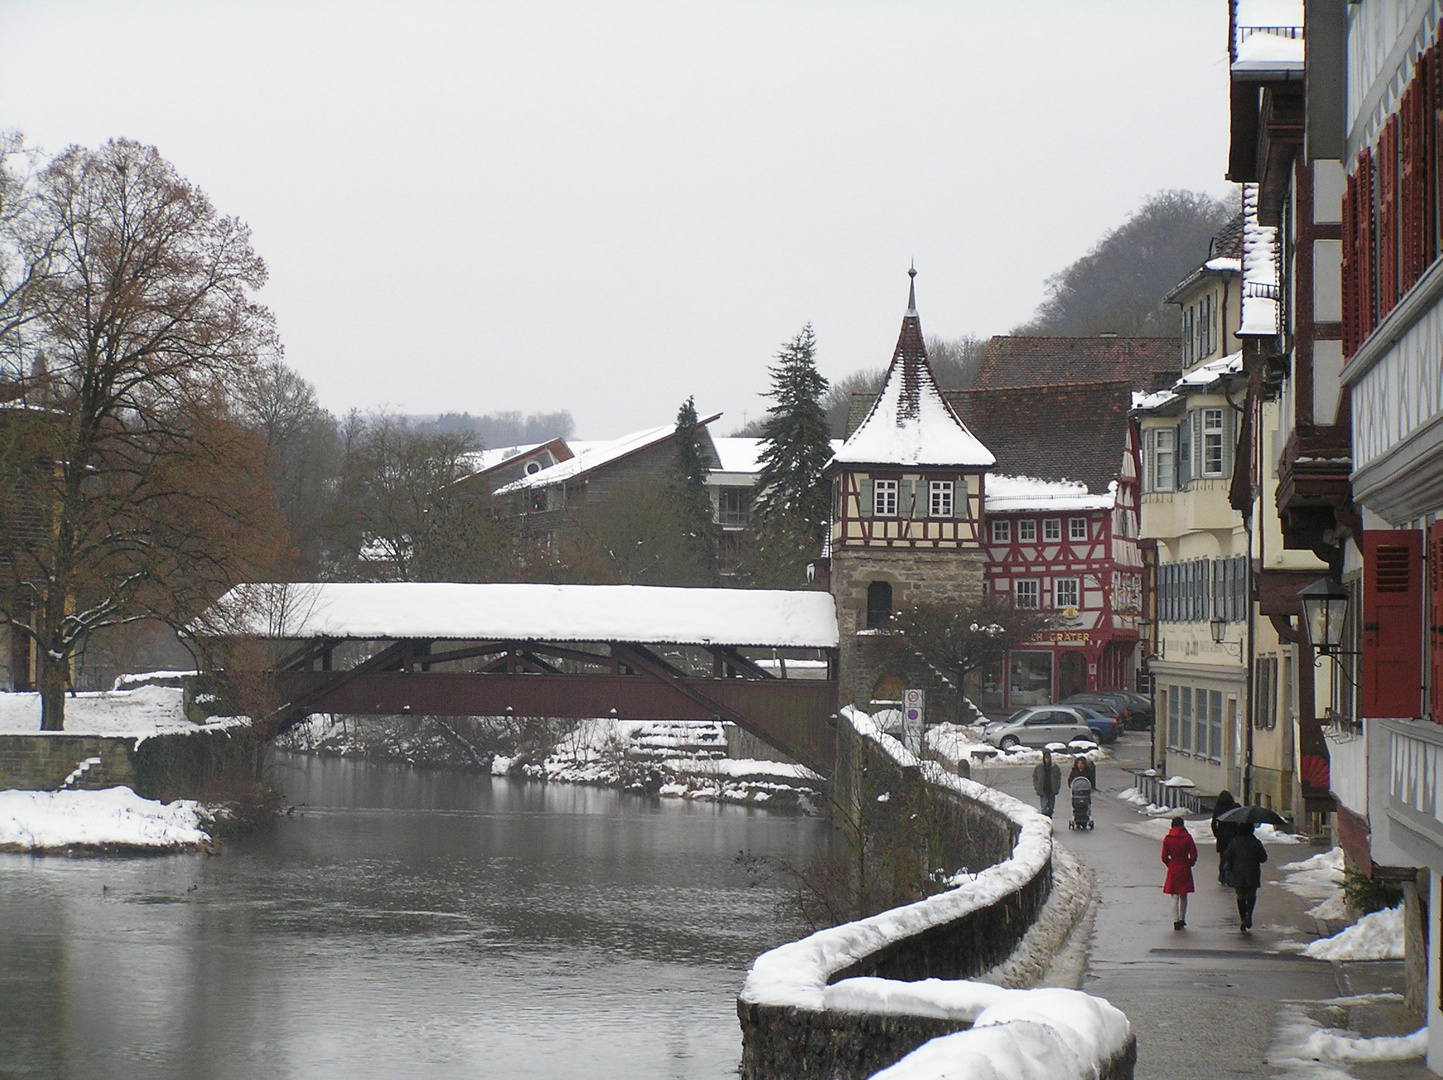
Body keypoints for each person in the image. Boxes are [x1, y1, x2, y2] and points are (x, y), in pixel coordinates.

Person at [1220, 822, 1268, 931]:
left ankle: (1242, 918)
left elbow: (1227, 855)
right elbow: (1263, 858)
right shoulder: (1256, 842)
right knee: (1251, 895)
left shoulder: (1234, 842)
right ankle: (1249, 915)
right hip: (1252, 873)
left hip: (1238, 873)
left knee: (1240, 895)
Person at [1161, 816, 1197, 930]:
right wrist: (1190, 863)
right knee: (1184, 895)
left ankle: (1175, 919)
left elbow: (1164, 856)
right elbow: (1194, 854)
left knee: (1174, 895)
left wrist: (1170, 864)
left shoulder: (1168, 839)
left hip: (1173, 867)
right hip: (1185, 867)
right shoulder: (1188, 838)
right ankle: (1182, 919)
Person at [1210, 790, 1242, 885]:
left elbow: (1213, 823)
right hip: (1233, 836)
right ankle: (1231, 877)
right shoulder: (1235, 807)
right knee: (1233, 858)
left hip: (1222, 837)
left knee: (1223, 858)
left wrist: (1216, 833)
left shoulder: (1218, 808)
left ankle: (1222, 876)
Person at [1032, 749, 1061, 816]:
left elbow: (1058, 777)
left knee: (1051, 808)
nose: (1047, 760)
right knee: (1044, 807)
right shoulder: (1039, 767)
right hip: (1043, 789)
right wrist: (1037, 787)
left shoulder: (1055, 767)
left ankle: (1049, 817)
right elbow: (1035, 777)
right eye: (1046, 758)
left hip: (1052, 789)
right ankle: (1045, 819)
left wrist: (1057, 786)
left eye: (1048, 758)